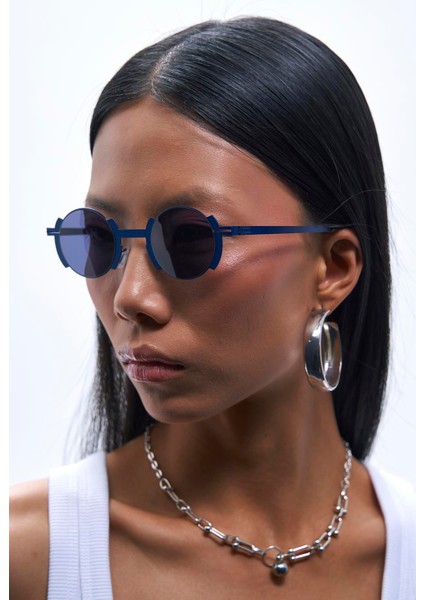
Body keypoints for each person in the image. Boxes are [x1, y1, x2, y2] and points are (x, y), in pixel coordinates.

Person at [10, 16, 415, 599]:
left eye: (191, 239)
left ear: (332, 268)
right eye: (99, 238)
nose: (129, 298)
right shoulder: (27, 558)